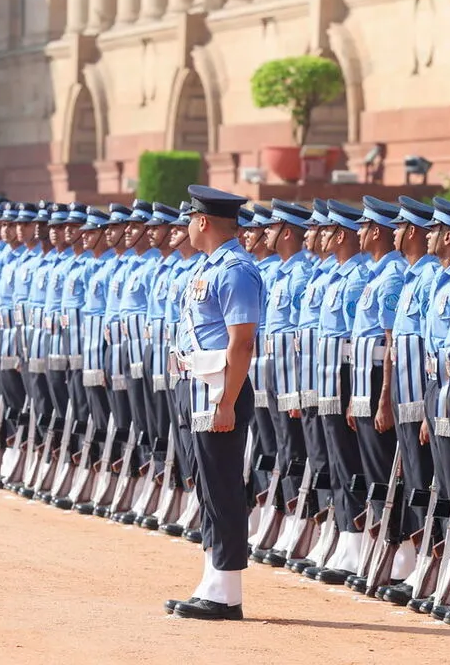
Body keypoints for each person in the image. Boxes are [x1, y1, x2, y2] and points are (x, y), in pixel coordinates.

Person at [165, 185, 262, 622]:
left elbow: (242, 343)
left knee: (223, 488)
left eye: (190, 219)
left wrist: (227, 401)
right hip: (198, 386)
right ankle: (212, 580)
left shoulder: (237, 270)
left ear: (203, 222)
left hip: (219, 390)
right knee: (206, 486)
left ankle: (226, 591)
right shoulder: (210, 267)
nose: (186, 226)